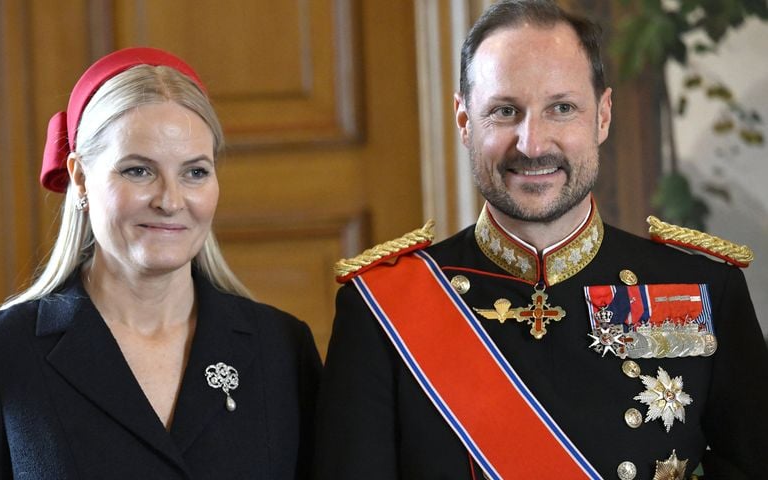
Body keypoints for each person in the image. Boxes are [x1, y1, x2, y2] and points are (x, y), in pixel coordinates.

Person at [313, 1, 768, 479]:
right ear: (465, 121)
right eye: (505, 111)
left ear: (603, 115)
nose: (532, 144)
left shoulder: (703, 288)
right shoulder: (381, 309)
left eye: (562, 108)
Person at [0, 47, 321, 479]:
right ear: (80, 177)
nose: (170, 201)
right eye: (138, 171)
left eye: (195, 172)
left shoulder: (281, 347)